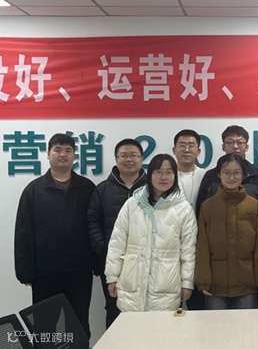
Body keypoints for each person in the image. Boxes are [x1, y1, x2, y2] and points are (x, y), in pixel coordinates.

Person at [14, 133, 96, 338]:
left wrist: (97, 263)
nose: (63, 154)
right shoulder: (34, 190)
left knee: (78, 325)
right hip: (45, 272)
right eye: (57, 150)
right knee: (45, 327)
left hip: (79, 271)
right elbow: (23, 232)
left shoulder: (87, 188)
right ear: (48, 154)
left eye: (68, 150)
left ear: (74, 155)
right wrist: (25, 271)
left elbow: (95, 227)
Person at [105, 154, 197, 312]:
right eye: (158, 172)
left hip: (166, 286)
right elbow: (117, 242)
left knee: (162, 327)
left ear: (175, 176)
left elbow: (189, 250)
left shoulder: (184, 209)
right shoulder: (132, 204)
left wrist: (187, 283)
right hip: (131, 283)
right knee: (131, 327)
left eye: (169, 172)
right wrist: (112, 276)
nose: (163, 177)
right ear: (150, 174)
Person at [195, 153, 258, 309]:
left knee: (247, 325)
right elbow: (201, 245)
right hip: (215, 286)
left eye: (236, 172)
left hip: (247, 285)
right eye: (227, 172)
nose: (231, 177)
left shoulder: (253, 205)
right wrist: (203, 281)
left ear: (243, 175)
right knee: (215, 325)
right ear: (219, 174)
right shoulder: (208, 207)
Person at [87, 138, 147, 328]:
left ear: (141, 158)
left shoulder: (152, 189)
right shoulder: (102, 189)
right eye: (124, 155)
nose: (129, 159)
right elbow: (92, 221)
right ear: (116, 159)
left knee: (146, 308)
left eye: (133, 155)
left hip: (145, 260)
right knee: (114, 307)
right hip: (113, 261)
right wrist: (104, 248)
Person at [196, 125, 258, 240]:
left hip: (251, 241)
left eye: (240, 143)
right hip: (217, 241)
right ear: (223, 147)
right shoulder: (211, 176)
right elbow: (201, 213)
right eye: (230, 142)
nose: (235, 146)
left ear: (246, 147)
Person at [172, 129, 206, 211]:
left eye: (191, 146)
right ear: (174, 150)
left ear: (198, 151)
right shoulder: (168, 175)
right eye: (182, 145)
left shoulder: (205, 175)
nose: (186, 150)